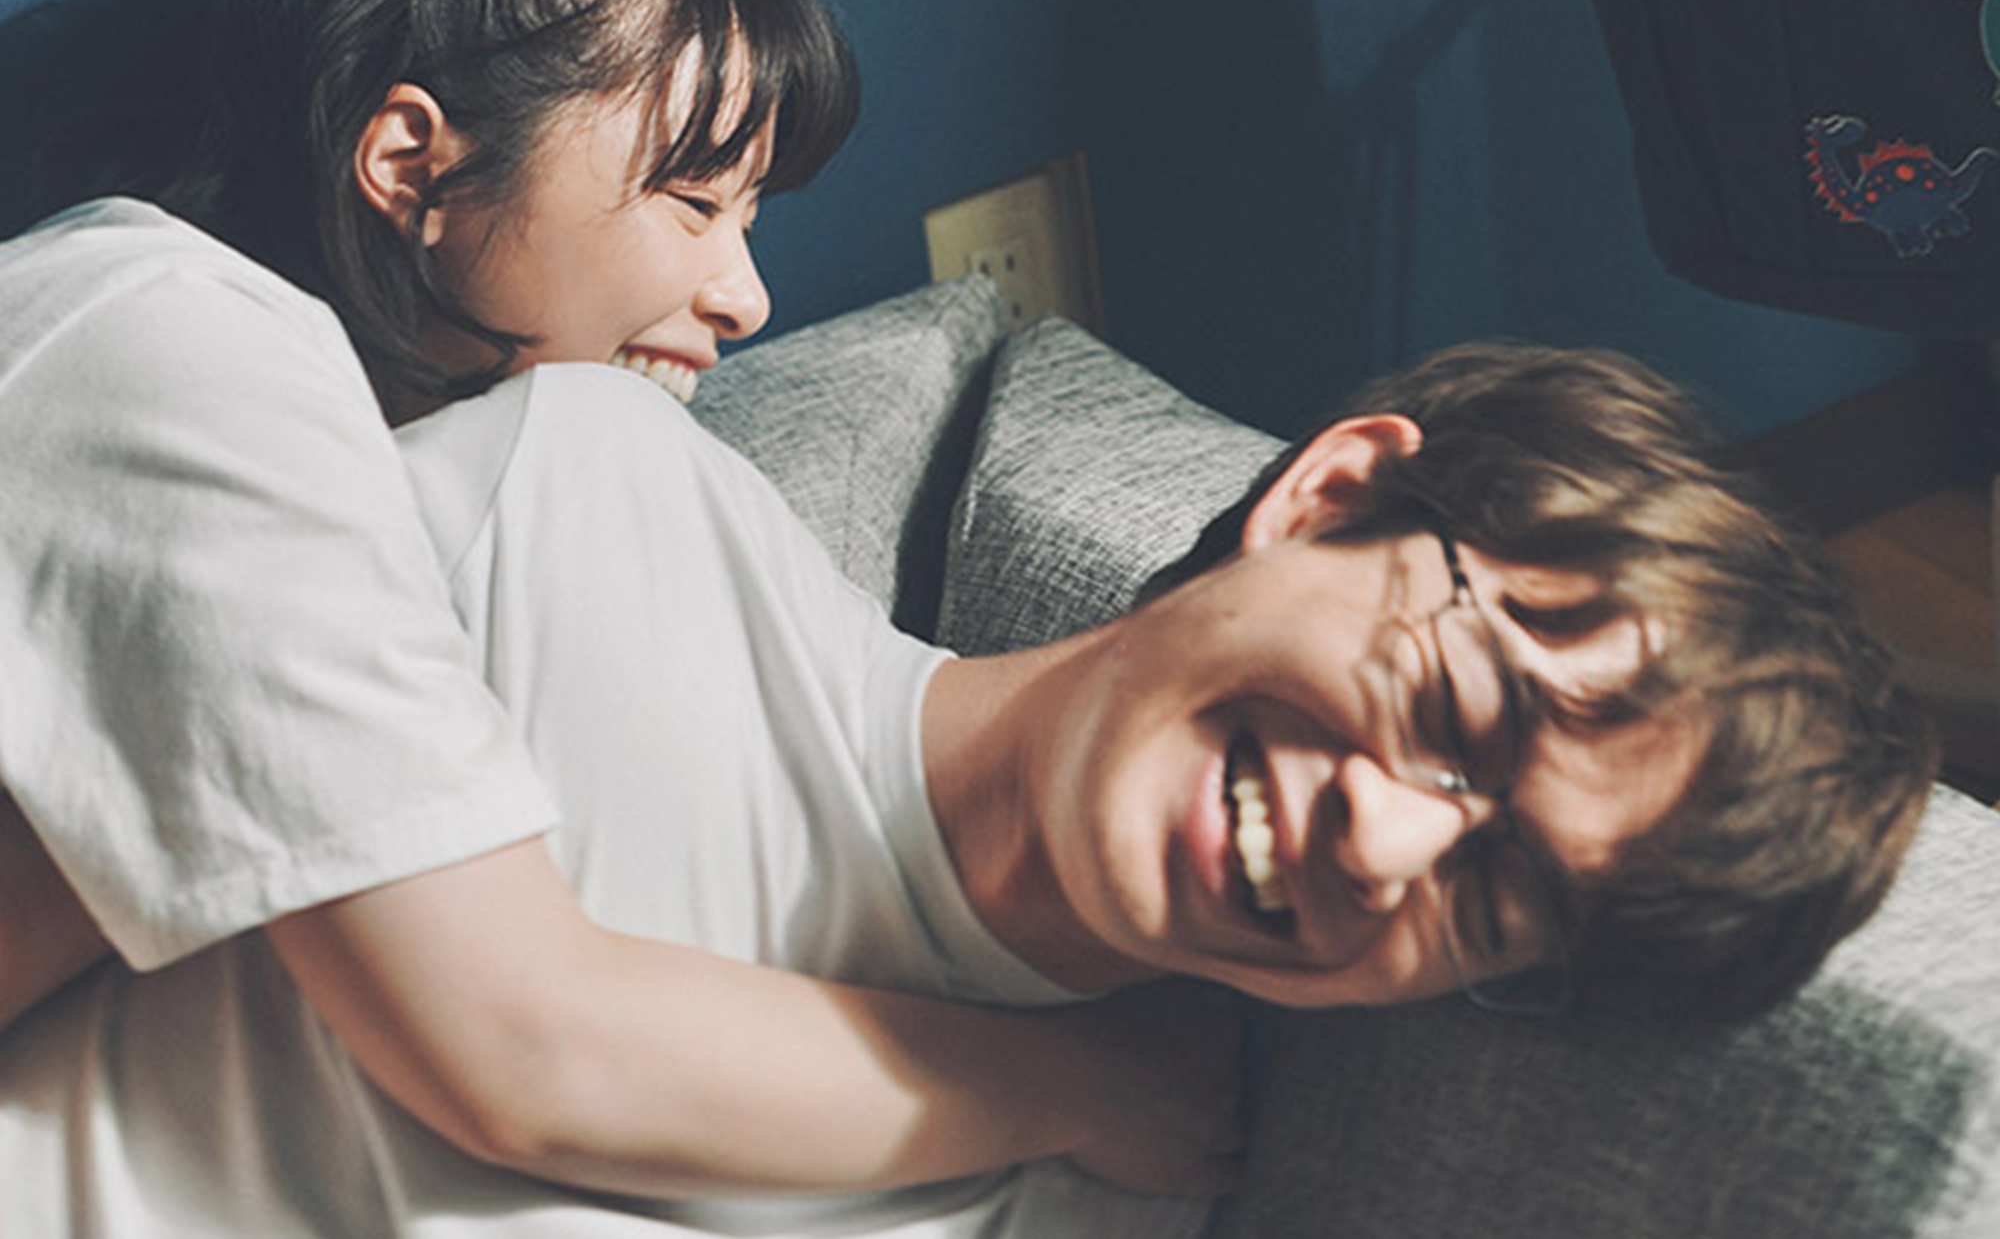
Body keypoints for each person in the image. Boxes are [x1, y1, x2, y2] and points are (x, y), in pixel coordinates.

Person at [0, 0, 1243, 1217]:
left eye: (754, 213)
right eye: (693, 199)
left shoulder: (461, 512)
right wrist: (1090, 1091)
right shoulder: (160, 337)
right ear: (414, 164)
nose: (746, 296)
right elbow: (529, 1048)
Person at [1, 318, 1934, 1237]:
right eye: (1459, 711)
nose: (1384, 835)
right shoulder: (588, 498)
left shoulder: (1117, 1205)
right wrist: (1047, 1083)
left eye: (1493, 897)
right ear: (1330, 496)